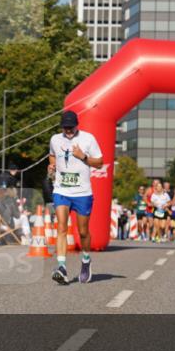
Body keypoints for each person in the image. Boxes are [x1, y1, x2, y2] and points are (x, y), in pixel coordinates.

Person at [48, 110, 103, 285]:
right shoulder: (55, 139)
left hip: (82, 193)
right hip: (61, 190)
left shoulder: (88, 138)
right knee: (62, 227)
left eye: (71, 128)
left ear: (77, 125)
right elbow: (52, 156)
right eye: (65, 128)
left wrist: (84, 157)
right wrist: (51, 167)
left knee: (83, 232)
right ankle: (62, 267)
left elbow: (100, 162)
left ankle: (86, 261)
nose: (68, 131)